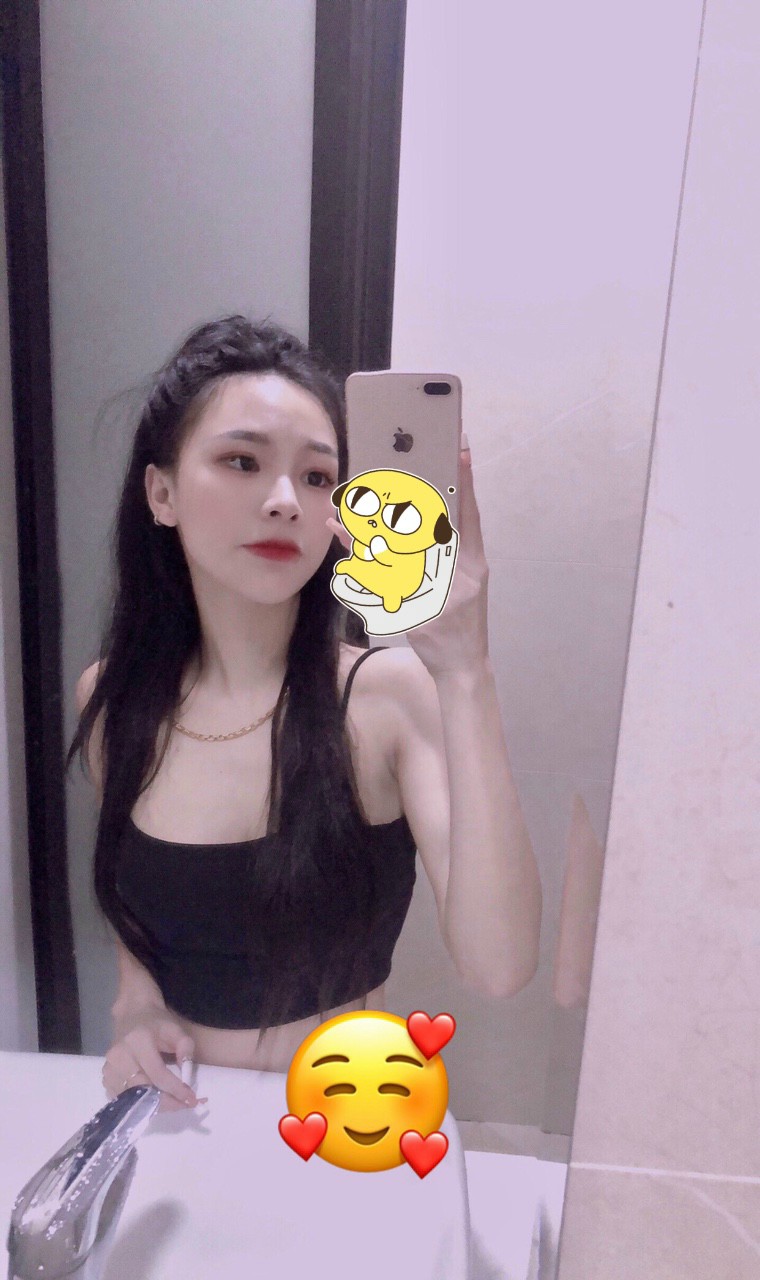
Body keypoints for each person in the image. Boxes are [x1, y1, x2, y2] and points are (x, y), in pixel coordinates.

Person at [68, 315, 542, 1113]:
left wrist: (466, 670)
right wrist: (138, 1013)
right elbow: (139, 932)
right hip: (177, 1118)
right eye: (242, 461)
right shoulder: (113, 700)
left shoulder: (385, 696)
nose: (286, 500)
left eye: (319, 477)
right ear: (162, 493)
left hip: (345, 1123)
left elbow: (500, 967)